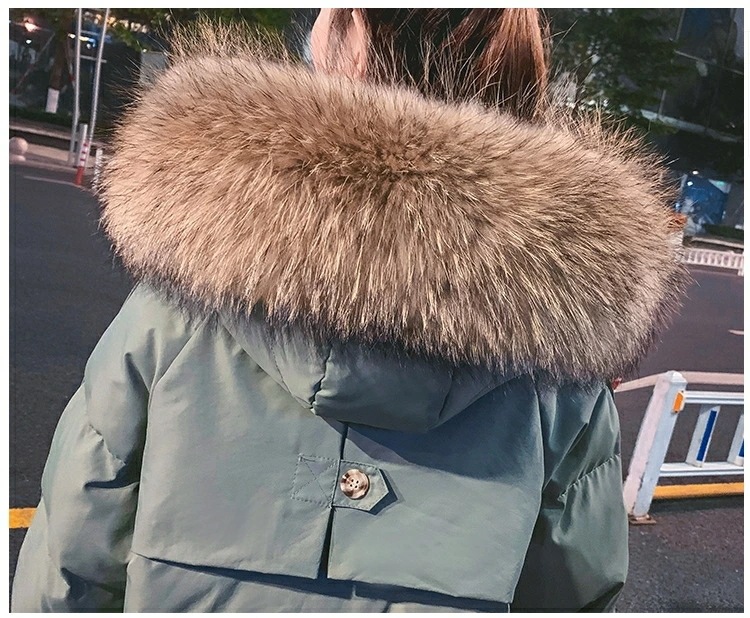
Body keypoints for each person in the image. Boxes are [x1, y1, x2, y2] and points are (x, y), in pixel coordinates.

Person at [12, 8, 685, 612]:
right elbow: (573, 590)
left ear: (355, 39)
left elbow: (72, 559)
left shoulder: (177, 317)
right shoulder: (561, 385)